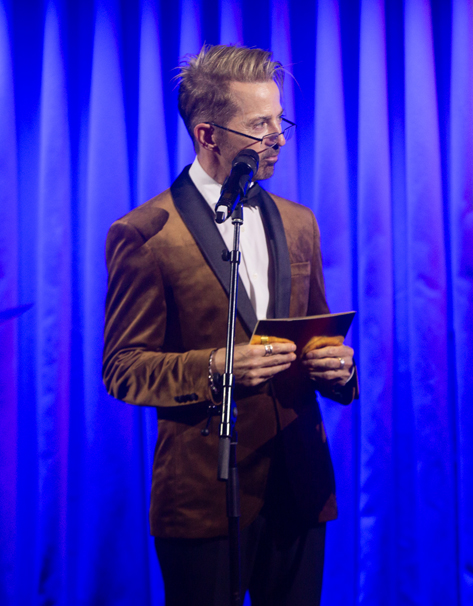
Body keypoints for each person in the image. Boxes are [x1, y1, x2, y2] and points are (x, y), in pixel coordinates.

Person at [103, 45, 356, 606]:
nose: (280, 138)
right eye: (260, 125)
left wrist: (337, 365)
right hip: (203, 495)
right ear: (208, 135)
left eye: (279, 120)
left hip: (299, 483)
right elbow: (122, 370)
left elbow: (320, 333)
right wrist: (218, 365)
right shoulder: (146, 234)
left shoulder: (298, 222)